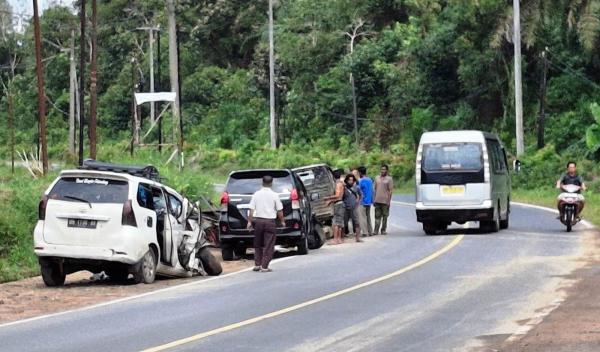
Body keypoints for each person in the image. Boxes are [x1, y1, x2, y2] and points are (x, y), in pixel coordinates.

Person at [247, 175, 286, 272]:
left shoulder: (256, 194)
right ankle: (264, 266)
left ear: (262, 182)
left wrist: (249, 221)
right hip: (270, 222)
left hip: (258, 221)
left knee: (257, 244)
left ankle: (257, 264)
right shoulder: (274, 195)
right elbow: (279, 210)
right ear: (271, 183)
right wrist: (282, 221)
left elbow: (251, 209)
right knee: (268, 245)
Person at [325, 169, 346, 245]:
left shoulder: (338, 184)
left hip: (338, 204)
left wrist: (329, 198)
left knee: (335, 223)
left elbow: (337, 196)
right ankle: (339, 239)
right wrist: (331, 201)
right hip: (341, 203)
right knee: (339, 222)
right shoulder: (341, 183)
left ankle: (335, 239)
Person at [374, 164, 393, 235]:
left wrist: (389, 201)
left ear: (387, 171)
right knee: (377, 216)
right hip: (377, 200)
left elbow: (390, 190)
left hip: (385, 201)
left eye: (384, 169)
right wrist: (374, 199)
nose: (382, 171)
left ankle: (383, 230)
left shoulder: (389, 179)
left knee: (385, 216)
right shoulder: (377, 178)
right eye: (382, 169)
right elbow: (374, 189)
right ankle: (375, 230)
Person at [344, 173, 363, 243]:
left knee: (357, 223)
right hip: (346, 208)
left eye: (352, 180)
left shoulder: (356, 187)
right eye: (349, 180)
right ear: (346, 180)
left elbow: (361, 195)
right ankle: (342, 237)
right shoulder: (344, 188)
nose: (350, 181)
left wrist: (358, 201)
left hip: (354, 208)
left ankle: (357, 238)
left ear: (354, 181)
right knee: (344, 223)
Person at [357, 166, 374, 236]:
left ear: (360, 173)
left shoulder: (360, 181)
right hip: (369, 201)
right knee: (368, 216)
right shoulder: (370, 180)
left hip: (362, 201)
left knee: (362, 217)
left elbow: (358, 190)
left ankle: (365, 232)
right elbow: (372, 191)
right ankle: (370, 231)